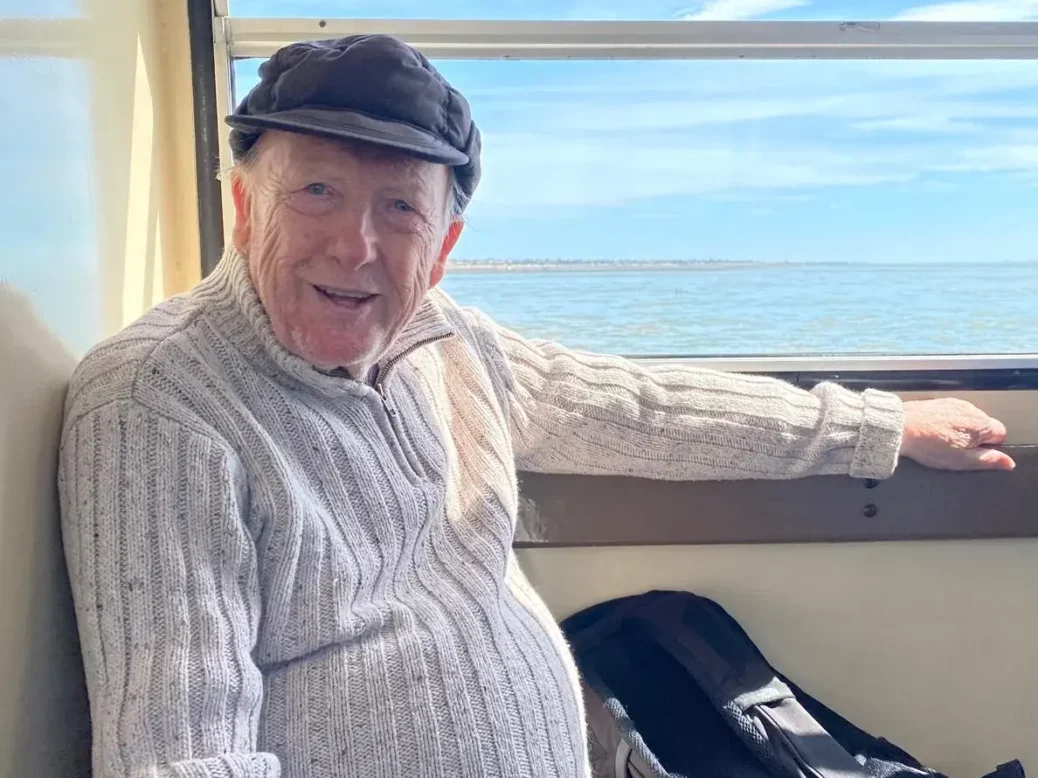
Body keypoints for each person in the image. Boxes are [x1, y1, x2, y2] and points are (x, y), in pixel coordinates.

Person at [58, 34, 1014, 778]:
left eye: (399, 209)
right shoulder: (159, 404)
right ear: (242, 207)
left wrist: (882, 427)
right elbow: (181, 753)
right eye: (316, 191)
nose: (355, 245)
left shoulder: (444, 340)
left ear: (441, 246)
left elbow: (643, 407)